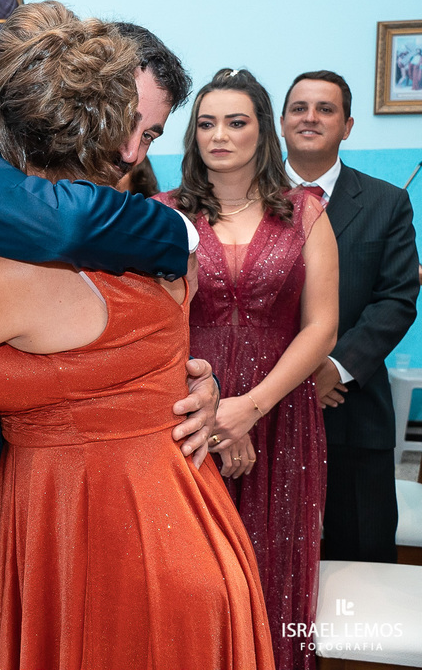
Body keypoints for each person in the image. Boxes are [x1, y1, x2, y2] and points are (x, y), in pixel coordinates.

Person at [0, 6, 273, 669]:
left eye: (151, 135)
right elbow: (65, 236)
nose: (133, 154)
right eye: (129, 124)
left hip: (103, 530)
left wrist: (177, 385)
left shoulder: (76, 255)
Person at [158, 69, 339, 670]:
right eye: (206, 123)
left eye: (236, 122)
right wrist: (214, 416)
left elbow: (321, 328)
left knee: (272, 574)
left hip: (282, 416)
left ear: (263, 130)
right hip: (185, 418)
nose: (219, 136)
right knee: (194, 578)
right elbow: (151, 325)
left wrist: (249, 409)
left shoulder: (305, 213)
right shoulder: (163, 215)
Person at [281, 70, 420, 563]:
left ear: (348, 125)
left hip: (352, 408)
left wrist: (333, 369)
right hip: (261, 408)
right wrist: (293, 375)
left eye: (326, 109)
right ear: (282, 122)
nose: (311, 118)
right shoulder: (247, 198)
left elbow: (397, 298)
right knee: (260, 558)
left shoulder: (386, 202)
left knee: (362, 558)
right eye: (299, 108)